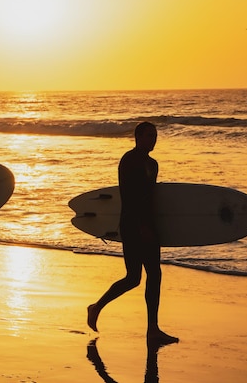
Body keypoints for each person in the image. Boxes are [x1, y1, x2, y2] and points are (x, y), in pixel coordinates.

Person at [87, 122, 178, 344]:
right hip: (132, 225)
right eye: (149, 135)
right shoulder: (129, 160)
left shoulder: (153, 164)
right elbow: (130, 196)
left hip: (148, 224)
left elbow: (149, 197)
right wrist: (140, 226)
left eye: (155, 136)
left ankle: (152, 329)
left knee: (148, 276)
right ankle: (97, 307)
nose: (153, 139)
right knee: (135, 277)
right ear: (137, 137)